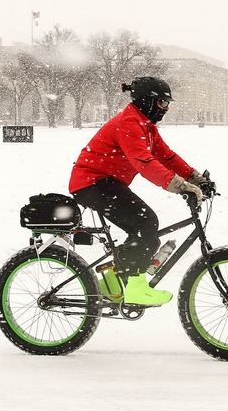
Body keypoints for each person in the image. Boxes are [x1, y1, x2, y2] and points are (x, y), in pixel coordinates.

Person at [69, 76, 207, 306]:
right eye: (162, 102)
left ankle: (110, 286)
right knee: (146, 223)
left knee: (147, 240)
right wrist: (180, 186)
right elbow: (143, 162)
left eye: (167, 103)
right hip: (91, 183)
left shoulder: (146, 126)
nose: (166, 108)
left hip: (105, 183)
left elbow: (166, 156)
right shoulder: (129, 123)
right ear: (147, 101)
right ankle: (136, 289)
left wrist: (196, 178)